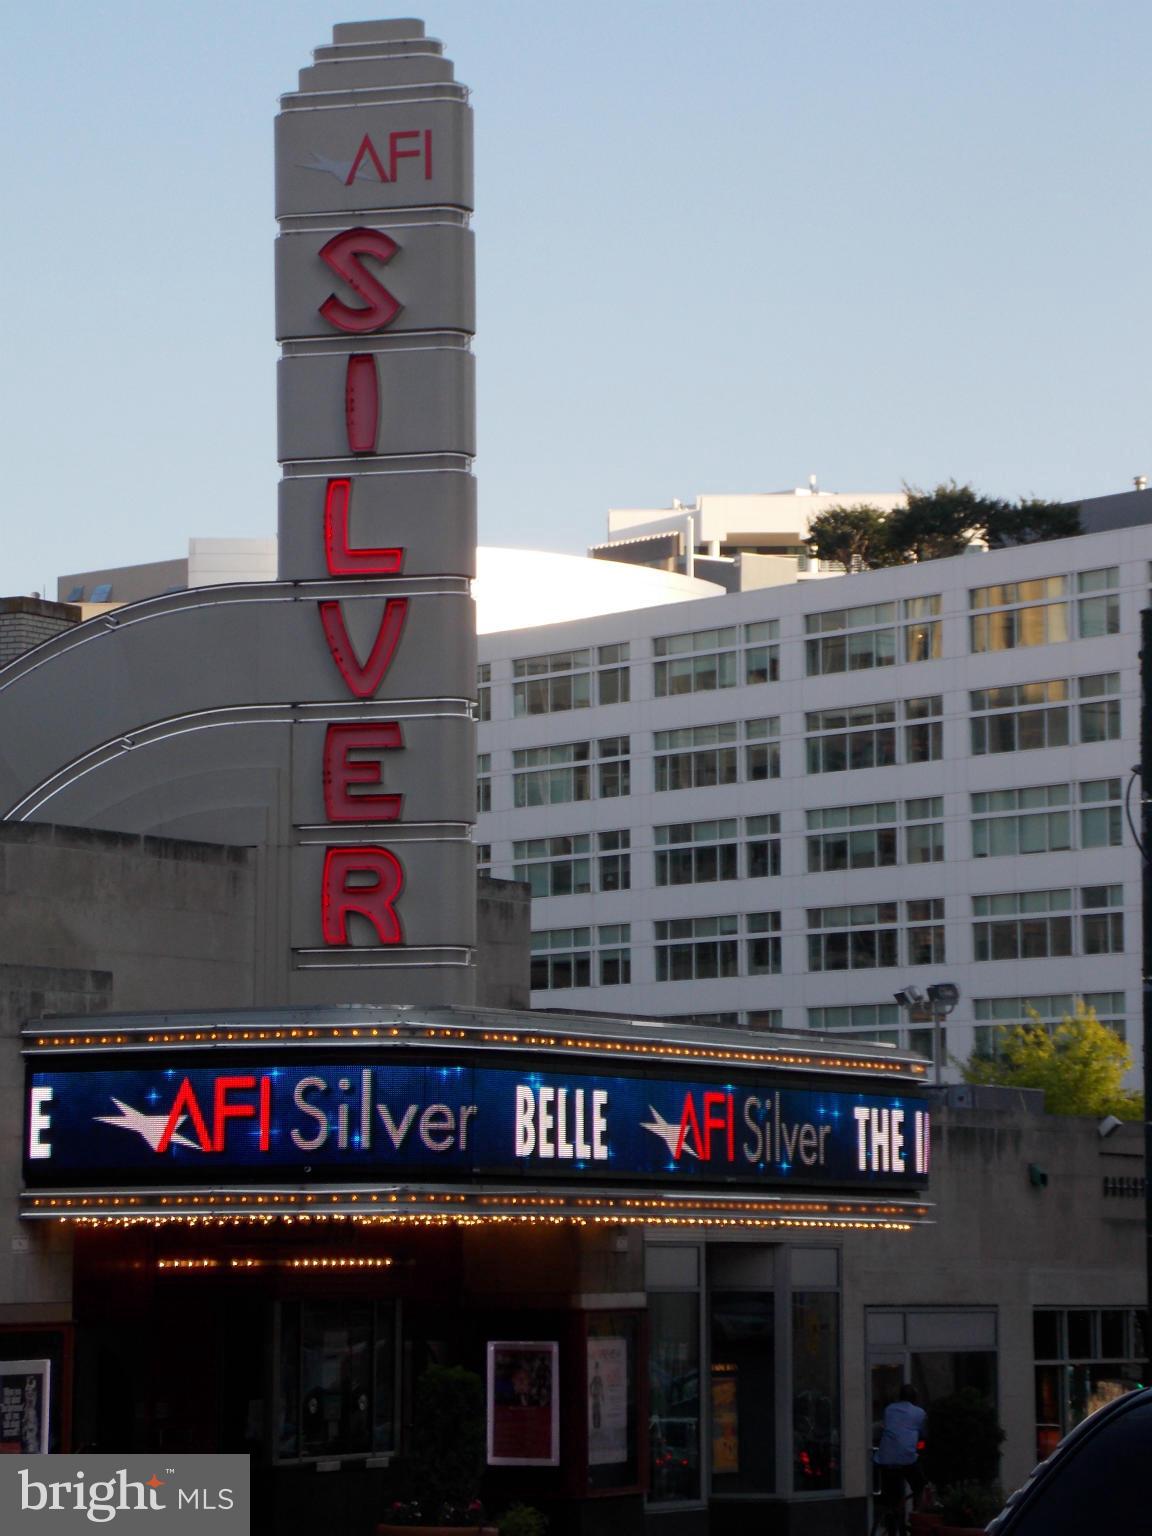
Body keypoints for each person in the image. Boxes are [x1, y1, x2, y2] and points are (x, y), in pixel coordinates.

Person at [874, 1385, 927, 1535]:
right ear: (914, 1399)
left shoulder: (889, 1409)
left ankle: (892, 1518)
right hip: (906, 1458)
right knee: (920, 1485)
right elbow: (923, 1432)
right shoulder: (919, 1413)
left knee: (892, 1497)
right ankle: (917, 1515)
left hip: (885, 1458)